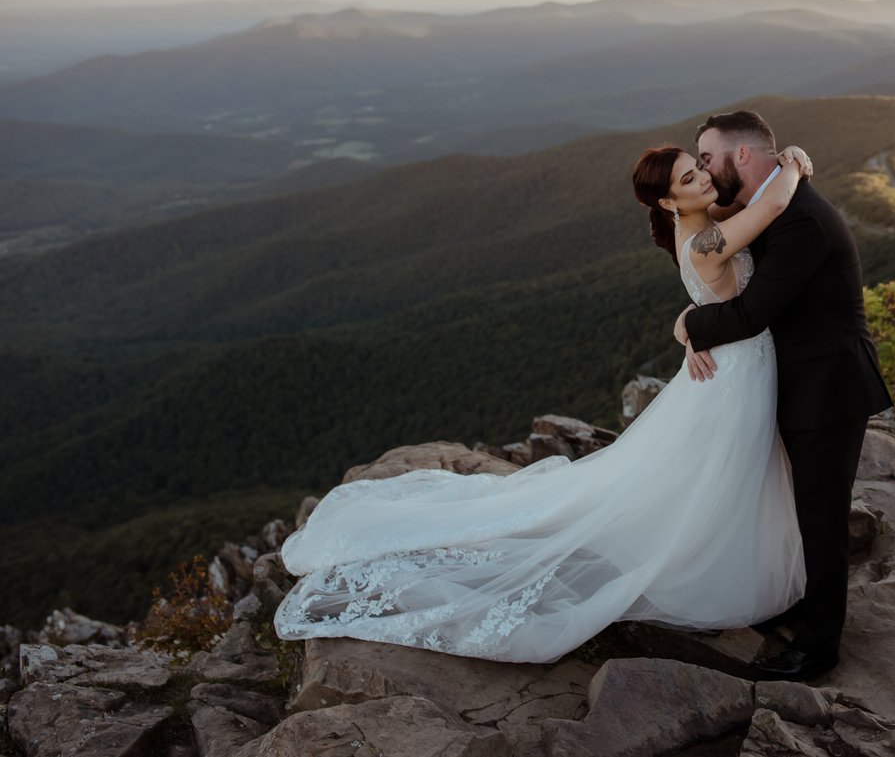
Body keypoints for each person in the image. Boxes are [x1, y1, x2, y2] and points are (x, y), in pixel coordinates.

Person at [272, 142, 814, 664]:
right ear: (670, 202)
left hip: (731, 363)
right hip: (735, 373)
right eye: (688, 178)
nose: (701, 176)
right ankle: (708, 568)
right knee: (728, 472)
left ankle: (714, 553)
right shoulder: (701, 240)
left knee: (719, 472)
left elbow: (706, 291)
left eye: (697, 167)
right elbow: (772, 203)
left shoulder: (693, 226)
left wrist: (689, 326)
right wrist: (790, 160)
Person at [675, 110, 893, 682]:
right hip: (799, 379)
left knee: (821, 515)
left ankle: (819, 648)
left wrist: (689, 327)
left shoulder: (801, 220)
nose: (703, 168)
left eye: (707, 157)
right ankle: (800, 604)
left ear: (740, 156)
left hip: (828, 385)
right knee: (800, 505)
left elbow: (753, 313)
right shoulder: (771, 198)